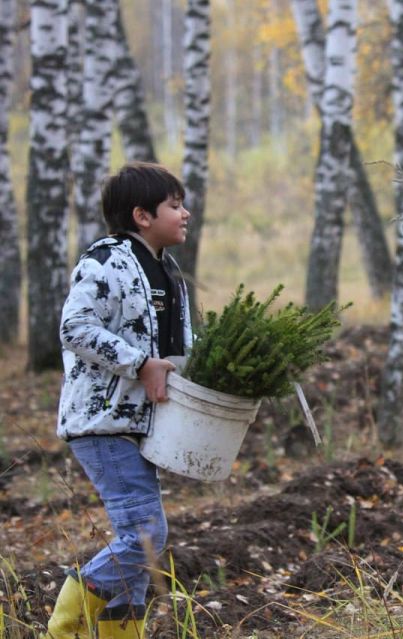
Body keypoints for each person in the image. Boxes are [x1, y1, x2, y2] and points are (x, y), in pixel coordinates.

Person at [44, 163, 192, 638]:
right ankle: (62, 630)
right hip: (103, 422)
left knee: (140, 555)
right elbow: (74, 328)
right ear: (142, 215)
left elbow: (175, 350)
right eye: (174, 205)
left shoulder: (168, 273)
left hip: (140, 426)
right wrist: (138, 363)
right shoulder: (106, 261)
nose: (185, 213)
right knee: (145, 539)